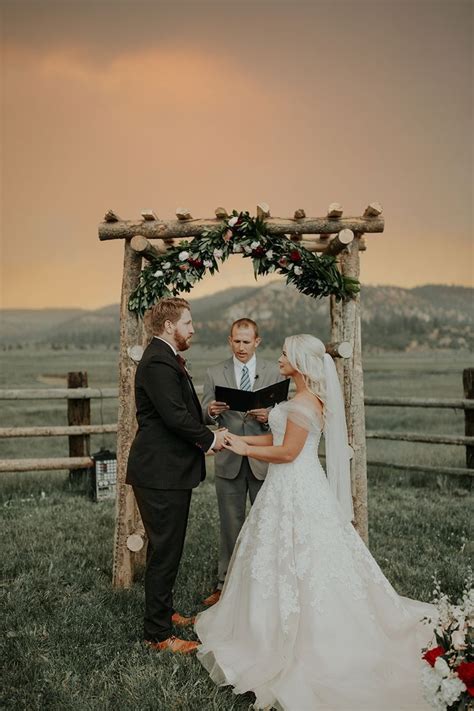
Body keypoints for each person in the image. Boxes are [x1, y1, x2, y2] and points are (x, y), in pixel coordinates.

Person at [195, 334, 435, 709]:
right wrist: (231, 439)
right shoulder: (298, 400)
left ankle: (307, 637)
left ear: (301, 363)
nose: (279, 357)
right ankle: (262, 624)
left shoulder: (306, 403)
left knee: (307, 558)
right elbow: (277, 437)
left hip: (296, 486)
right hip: (287, 486)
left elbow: (289, 452)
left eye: (285, 353)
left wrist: (243, 446)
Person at [126, 297, 227, 654]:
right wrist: (210, 439)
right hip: (160, 472)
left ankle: (164, 614)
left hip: (167, 470)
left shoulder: (164, 357)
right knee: (165, 551)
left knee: (166, 548)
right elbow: (173, 416)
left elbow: (182, 411)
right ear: (169, 326)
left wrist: (207, 424)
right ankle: (157, 635)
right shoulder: (157, 361)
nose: (193, 328)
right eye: (188, 322)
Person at [200, 318, 284, 605]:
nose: (241, 347)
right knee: (230, 525)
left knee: (266, 524)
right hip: (229, 459)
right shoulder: (214, 373)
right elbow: (201, 414)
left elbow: (286, 412)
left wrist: (269, 415)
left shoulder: (275, 370)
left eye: (247, 341)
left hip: (263, 458)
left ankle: (267, 585)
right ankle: (225, 586)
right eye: (236, 341)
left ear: (257, 341)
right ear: (229, 340)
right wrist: (210, 411)